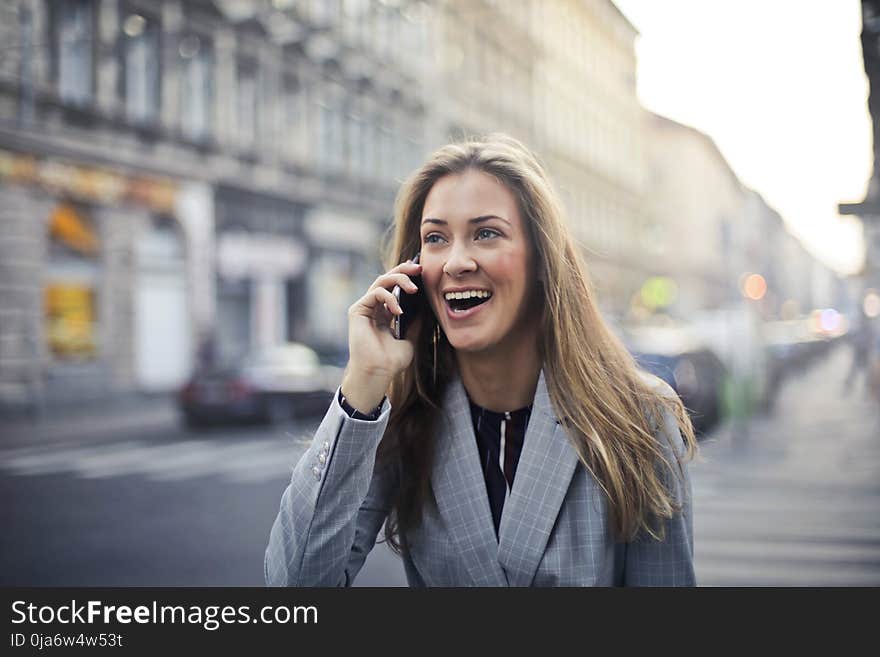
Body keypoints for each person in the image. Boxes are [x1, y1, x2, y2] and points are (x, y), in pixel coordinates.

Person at [265, 134, 698, 587]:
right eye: (435, 238)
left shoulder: (637, 416)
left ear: (541, 259)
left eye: (486, 233)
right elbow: (295, 585)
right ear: (413, 268)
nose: (455, 262)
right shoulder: (407, 419)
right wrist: (363, 382)